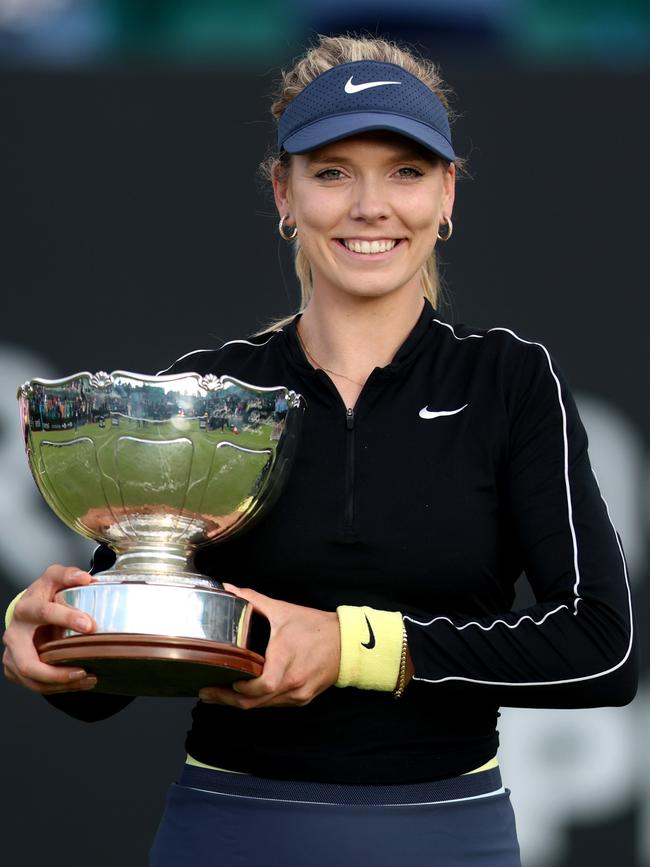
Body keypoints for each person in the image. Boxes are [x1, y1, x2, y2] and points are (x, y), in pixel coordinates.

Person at [2, 34, 637, 867]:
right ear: (284, 193)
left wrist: (353, 646)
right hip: (225, 830)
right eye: (332, 171)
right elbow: (118, 678)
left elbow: (600, 647)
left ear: (448, 195)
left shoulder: (510, 382)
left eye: (406, 171)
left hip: (447, 835)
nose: (371, 205)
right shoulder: (213, 393)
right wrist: (47, 637)